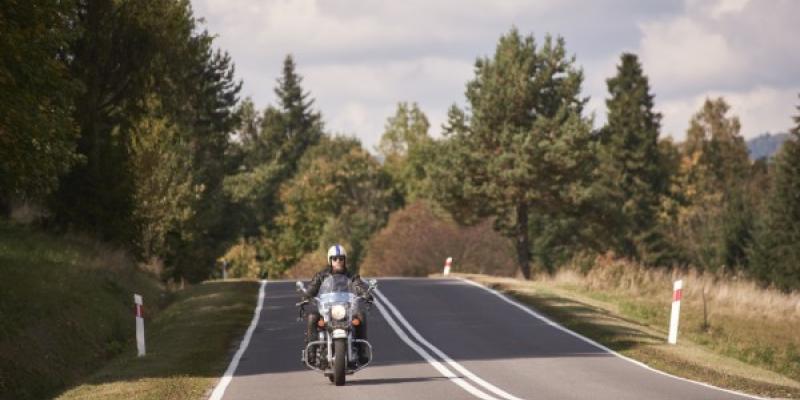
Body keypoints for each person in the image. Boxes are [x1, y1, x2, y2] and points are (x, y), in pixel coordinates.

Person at [304, 244, 372, 364]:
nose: (338, 261)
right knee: (312, 317)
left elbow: (358, 285)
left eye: (341, 258)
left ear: (345, 260)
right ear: (330, 260)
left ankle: (362, 352)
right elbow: (312, 288)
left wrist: (365, 294)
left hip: (346, 309)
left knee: (361, 315)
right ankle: (311, 354)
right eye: (335, 259)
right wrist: (306, 296)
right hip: (328, 310)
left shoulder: (351, 276)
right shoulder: (321, 276)